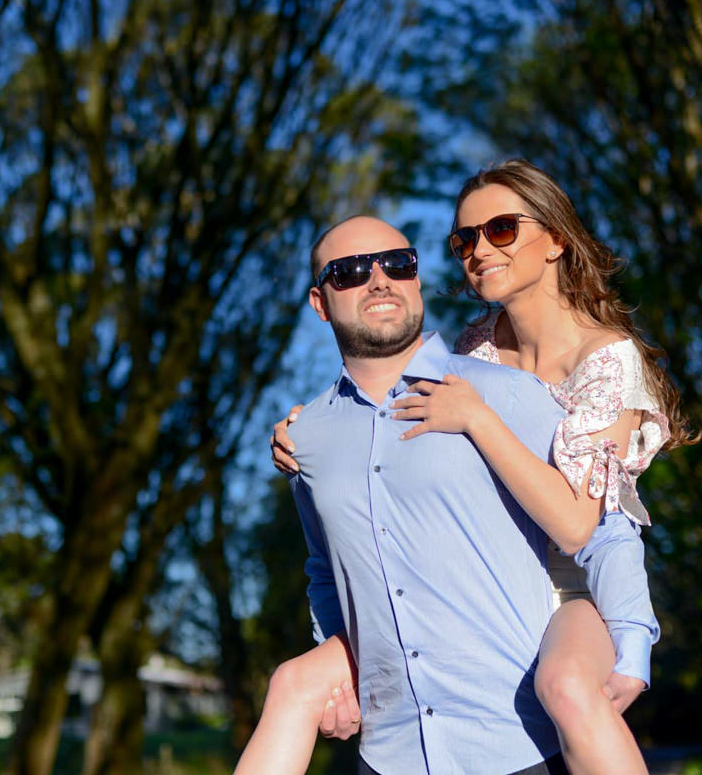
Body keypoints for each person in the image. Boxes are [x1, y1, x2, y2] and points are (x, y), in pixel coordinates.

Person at [236, 200, 665, 775]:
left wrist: (631, 648)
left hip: (517, 744)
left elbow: (603, 524)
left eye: (396, 262)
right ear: (321, 301)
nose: (379, 280)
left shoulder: (505, 394)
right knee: (291, 682)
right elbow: (326, 571)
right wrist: (341, 673)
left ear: (416, 278)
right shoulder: (305, 440)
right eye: (350, 271)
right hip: (392, 754)